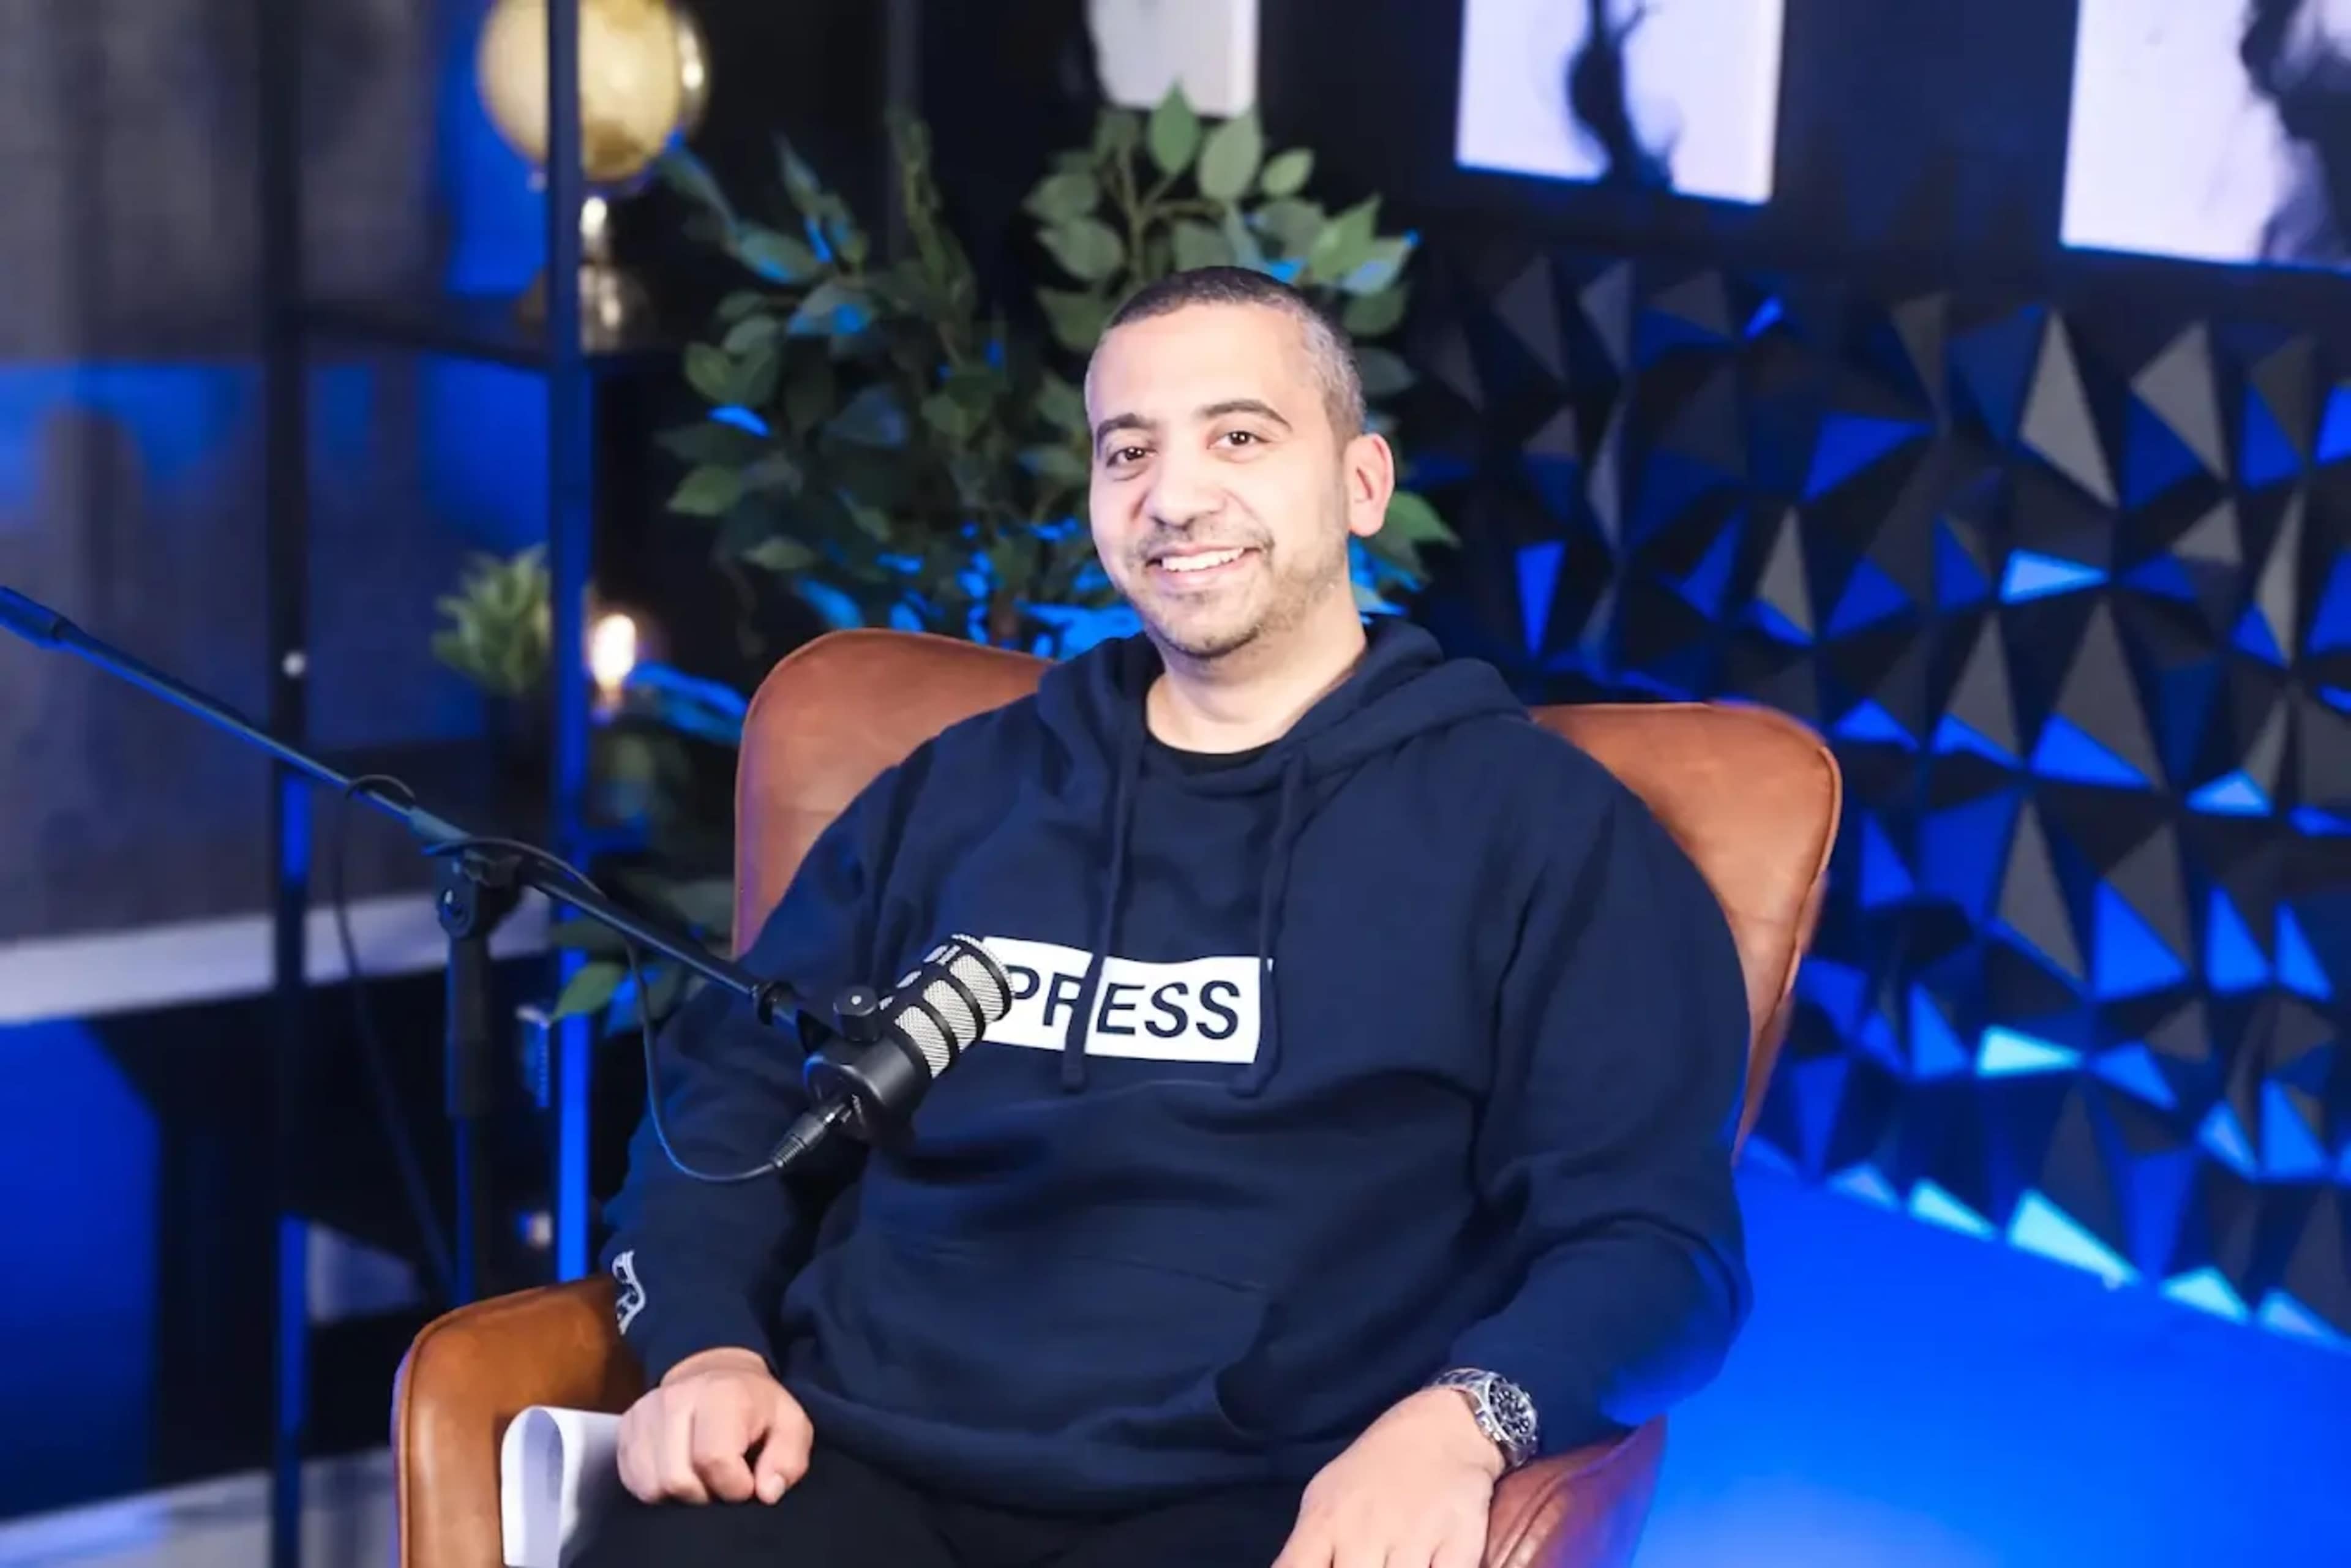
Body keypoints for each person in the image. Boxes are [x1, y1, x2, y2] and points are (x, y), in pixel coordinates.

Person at [575, 265, 1753, 1568]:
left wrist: (1461, 1427)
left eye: (1240, 436)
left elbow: (1659, 1245)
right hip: (847, 1453)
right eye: (1127, 451)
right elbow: (729, 1097)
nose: (1175, 496)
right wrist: (708, 1349)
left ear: (1363, 483)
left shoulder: (1542, 834)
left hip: (1254, 1500)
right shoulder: (963, 790)